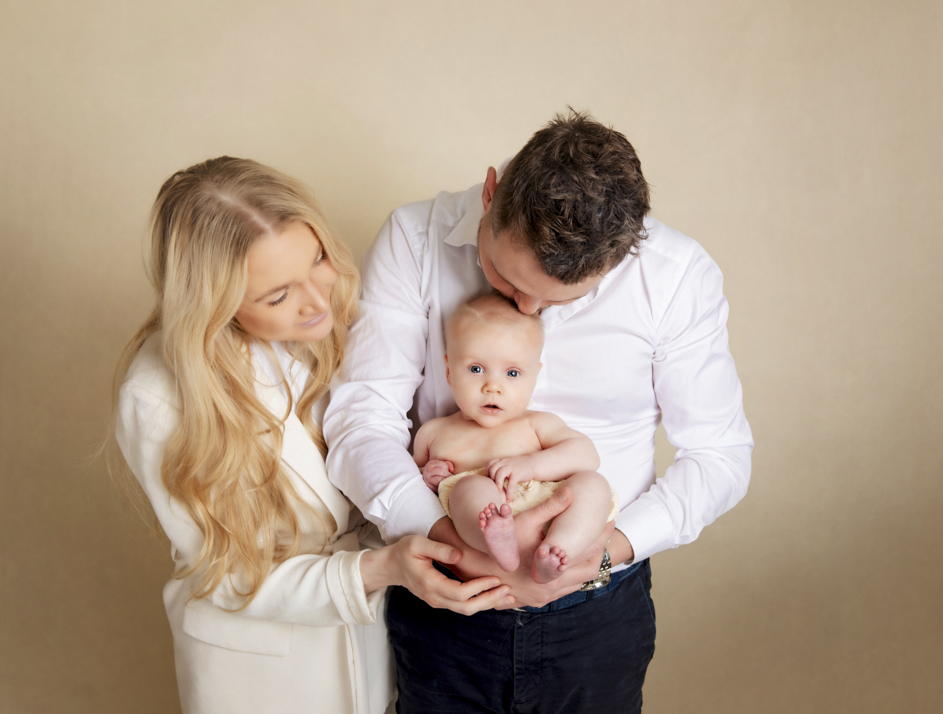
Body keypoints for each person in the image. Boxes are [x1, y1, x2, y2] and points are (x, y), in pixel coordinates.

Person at [324, 111, 754, 712]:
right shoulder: (413, 238)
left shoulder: (677, 278)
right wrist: (452, 543)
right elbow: (361, 418)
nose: (526, 308)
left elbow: (719, 455)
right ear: (491, 192)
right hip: (446, 598)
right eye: (503, 274)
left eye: (560, 299)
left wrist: (604, 552)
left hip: (598, 608)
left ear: (621, 258)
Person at [111, 157, 515, 714]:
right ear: (214, 304)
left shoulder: (332, 326)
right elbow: (224, 576)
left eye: (319, 259)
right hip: (260, 675)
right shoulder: (158, 397)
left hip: (375, 652)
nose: (318, 300)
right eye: (277, 296)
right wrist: (381, 567)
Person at [415, 294, 618, 583]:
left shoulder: (535, 423)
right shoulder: (433, 432)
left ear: (534, 377)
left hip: (549, 509)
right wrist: (427, 475)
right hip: (485, 517)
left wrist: (530, 466)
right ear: (449, 371)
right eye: (475, 369)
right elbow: (410, 485)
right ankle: (497, 540)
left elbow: (587, 455)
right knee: (469, 487)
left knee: (593, 484)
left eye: (512, 373)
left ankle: (559, 549)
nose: (493, 387)